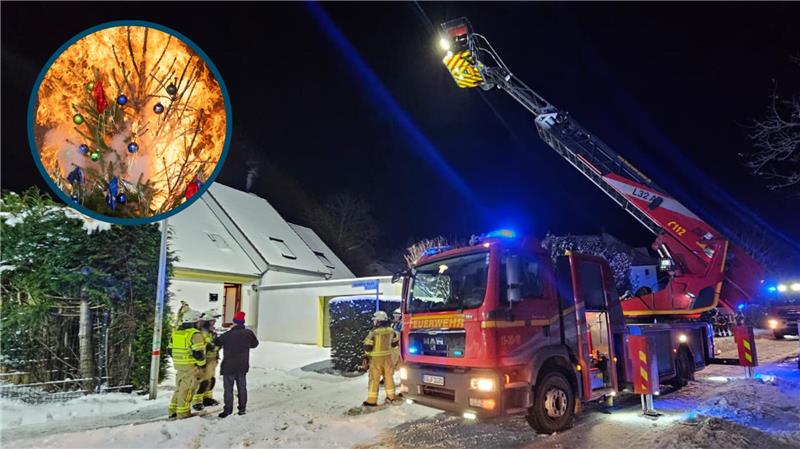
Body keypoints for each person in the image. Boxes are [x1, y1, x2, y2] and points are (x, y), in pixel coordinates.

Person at [214, 310, 259, 418]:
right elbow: (255, 344)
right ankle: (242, 409)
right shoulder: (248, 333)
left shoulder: (228, 334)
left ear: (234, 322)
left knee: (228, 389)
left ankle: (228, 410)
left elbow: (216, 342)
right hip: (242, 365)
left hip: (228, 366)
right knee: (242, 388)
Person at [167, 309, 206, 419]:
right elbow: (198, 353)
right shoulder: (195, 334)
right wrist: (202, 365)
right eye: (198, 321)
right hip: (191, 367)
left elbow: (169, 350)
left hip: (179, 366)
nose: (199, 324)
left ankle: (172, 411)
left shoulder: (176, 333)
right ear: (194, 322)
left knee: (179, 389)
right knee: (188, 390)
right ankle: (183, 414)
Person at [362, 310, 399, 406]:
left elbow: (367, 346)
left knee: (374, 380)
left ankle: (371, 401)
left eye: (375, 320)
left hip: (376, 360)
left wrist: (366, 356)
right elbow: (395, 344)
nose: (374, 322)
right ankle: (391, 397)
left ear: (379, 321)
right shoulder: (392, 331)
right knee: (389, 378)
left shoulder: (373, 332)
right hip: (388, 358)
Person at [192, 309, 222, 410]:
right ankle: (197, 401)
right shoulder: (202, 332)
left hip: (212, 359)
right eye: (213, 320)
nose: (215, 321)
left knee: (211, 379)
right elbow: (210, 345)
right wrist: (216, 346)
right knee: (203, 380)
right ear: (207, 320)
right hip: (205, 360)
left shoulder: (211, 330)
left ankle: (207, 398)